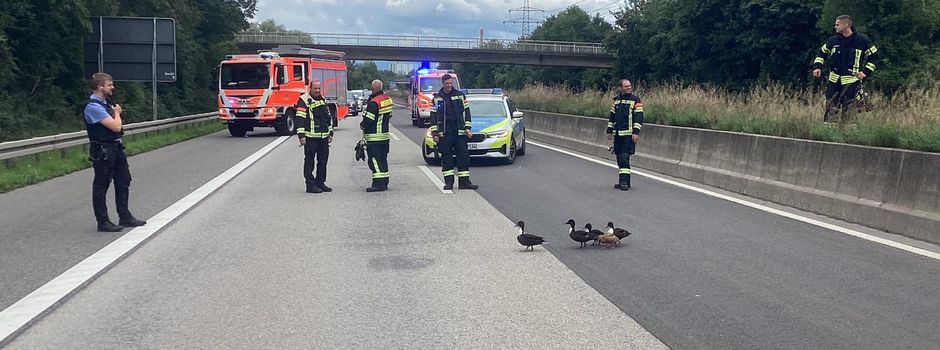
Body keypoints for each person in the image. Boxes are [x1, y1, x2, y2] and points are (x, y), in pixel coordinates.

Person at [82, 73, 147, 232]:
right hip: (103, 150)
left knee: (124, 180)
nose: (113, 87)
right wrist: (117, 113)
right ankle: (103, 221)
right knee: (101, 185)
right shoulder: (93, 107)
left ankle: (124, 216)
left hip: (116, 147)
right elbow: (116, 127)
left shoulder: (106, 104)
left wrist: (115, 113)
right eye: (109, 85)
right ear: (100, 87)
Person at [812, 15, 881, 126]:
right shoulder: (833, 40)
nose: (835, 27)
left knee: (849, 111)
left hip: (852, 81)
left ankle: (848, 133)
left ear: (846, 25)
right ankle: (829, 133)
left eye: (837, 24)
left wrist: (865, 72)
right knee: (831, 109)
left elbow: (875, 57)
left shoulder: (862, 40)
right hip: (834, 81)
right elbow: (821, 53)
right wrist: (817, 67)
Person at [429, 74, 478, 190]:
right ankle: (449, 183)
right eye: (447, 83)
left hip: (459, 132)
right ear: (442, 83)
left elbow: (467, 112)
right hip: (445, 133)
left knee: (463, 157)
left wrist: (467, 128)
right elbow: (433, 117)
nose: (449, 85)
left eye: (450, 83)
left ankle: (464, 182)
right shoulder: (437, 98)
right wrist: (435, 134)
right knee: (447, 158)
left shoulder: (460, 95)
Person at [294, 80, 334, 193]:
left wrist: (330, 132)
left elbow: (327, 118)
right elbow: (300, 119)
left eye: (319, 88)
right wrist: (301, 136)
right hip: (310, 138)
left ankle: (320, 182)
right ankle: (310, 185)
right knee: (309, 162)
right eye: (315, 88)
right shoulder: (304, 100)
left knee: (323, 161)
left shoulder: (323, 100)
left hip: (323, 137)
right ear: (310, 88)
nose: (317, 90)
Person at [606, 79, 644, 191]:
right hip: (618, 135)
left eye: (630, 86)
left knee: (624, 157)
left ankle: (624, 182)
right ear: (621, 88)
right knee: (619, 157)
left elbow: (639, 117)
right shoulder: (616, 101)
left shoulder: (635, 100)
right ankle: (624, 181)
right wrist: (609, 130)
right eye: (626, 86)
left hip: (629, 135)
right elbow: (612, 117)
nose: (629, 87)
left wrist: (636, 132)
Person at [360, 79, 393, 192]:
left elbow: (368, 120)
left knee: (374, 160)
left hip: (374, 137)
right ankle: (385, 182)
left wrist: (362, 125)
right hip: (384, 137)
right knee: (383, 160)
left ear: (373, 88)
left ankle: (378, 184)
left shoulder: (374, 102)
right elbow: (389, 115)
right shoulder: (387, 99)